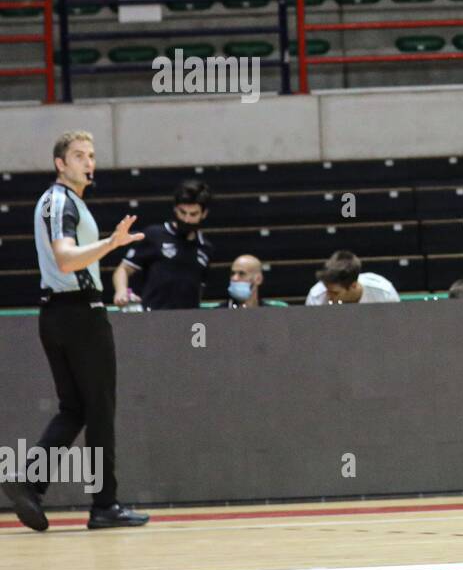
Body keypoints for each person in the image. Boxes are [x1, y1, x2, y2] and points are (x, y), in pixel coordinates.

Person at [0, 131, 150, 531]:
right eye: (79, 156)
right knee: (99, 409)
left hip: (55, 314)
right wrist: (111, 244)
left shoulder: (60, 202)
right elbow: (65, 259)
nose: (89, 162)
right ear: (60, 164)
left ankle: (29, 481)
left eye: (92, 155)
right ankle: (105, 505)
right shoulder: (62, 202)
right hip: (81, 314)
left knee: (75, 408)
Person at [111, 179, 214, 310]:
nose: (186, 219)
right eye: (182, 212)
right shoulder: (154, 235)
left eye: (193, 214)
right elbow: (123, 269)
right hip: (154, 318)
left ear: (204, 214)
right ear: (175, 209)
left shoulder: (206, 248)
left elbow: (200, 289)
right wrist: (121, 291)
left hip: (188, 321)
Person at [305, 250, 399, 305]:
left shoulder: (383, 292)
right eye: (327, 290)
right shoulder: (316, 296)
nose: (328, 296)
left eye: (335, 292)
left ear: (353, 285)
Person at [219, 254, 287, 308]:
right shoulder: (217, 313)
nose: (234, 278)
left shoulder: (275, 312)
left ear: (258, 279)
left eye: (241, 274)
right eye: (232, 273)